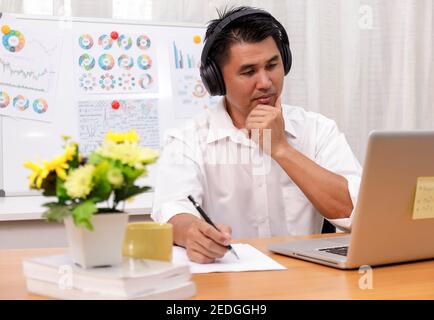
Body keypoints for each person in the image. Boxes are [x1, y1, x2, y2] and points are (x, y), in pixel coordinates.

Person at [152, 6, 362, 264]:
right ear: (217, 80)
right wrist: (192, 234)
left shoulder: (318, 130)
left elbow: (357, 213)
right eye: (248, 71)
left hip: (308, 280)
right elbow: (172, 209)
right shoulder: (187, 139)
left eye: (272, 65)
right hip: (230, 283)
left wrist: (282, 149)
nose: (265, 81)